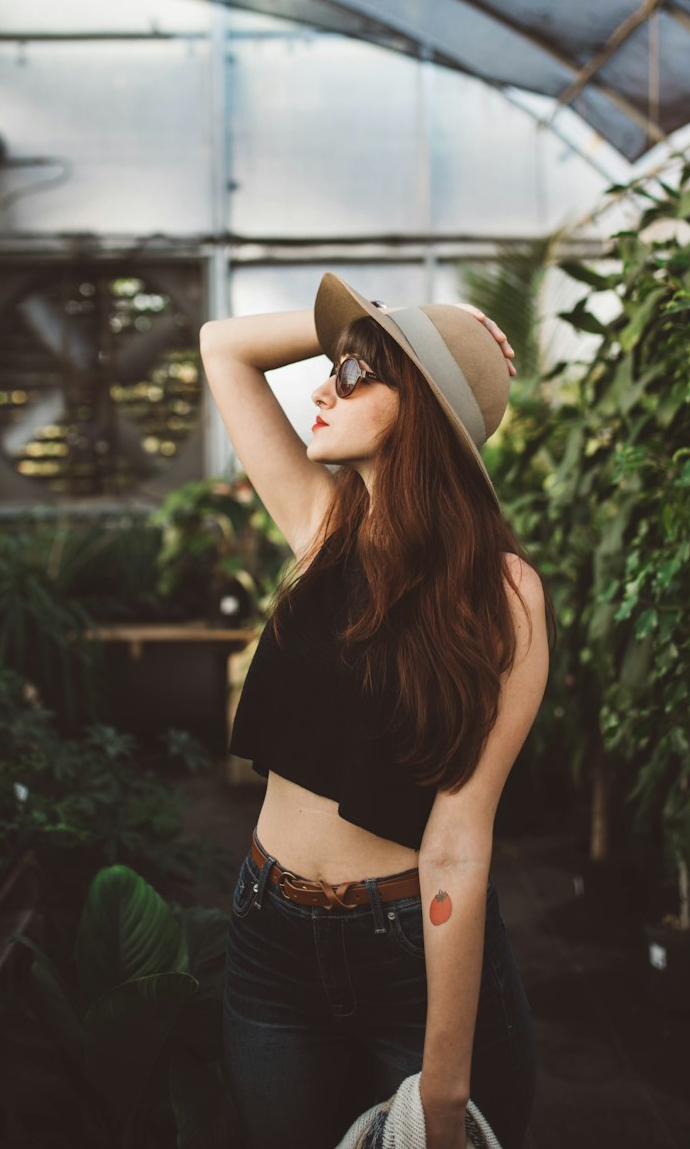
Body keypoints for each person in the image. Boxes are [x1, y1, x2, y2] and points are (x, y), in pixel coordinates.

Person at [200, 272, 554, 1149]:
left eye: (356, 374)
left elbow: (458, 841)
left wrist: (444, 1085)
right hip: (268, 931)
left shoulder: (503, 596)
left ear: (422, 411)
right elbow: (224, 346)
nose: (323, 385)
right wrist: (385, 328)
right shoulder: (324, 531)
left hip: (406, 951)